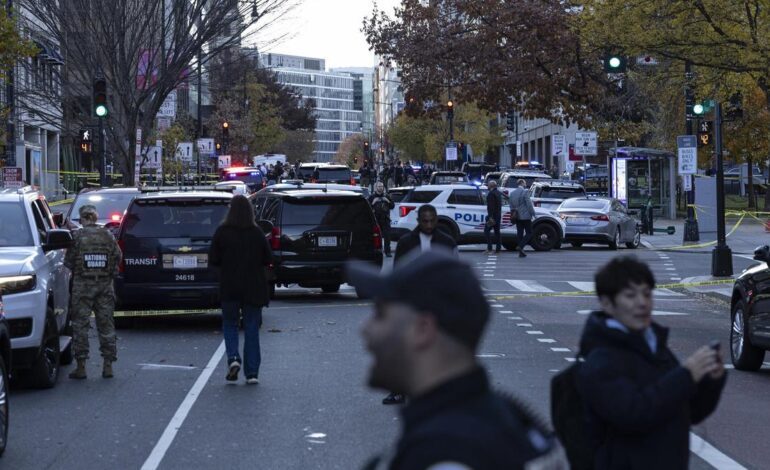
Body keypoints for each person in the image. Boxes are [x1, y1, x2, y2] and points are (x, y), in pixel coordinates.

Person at [351, 251, 564, 469]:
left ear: (423, 330)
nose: (365, 328)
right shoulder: (503, 418)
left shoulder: (446, 451)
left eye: (380, 315)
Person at [576, 256, 726, 469]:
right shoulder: (601, 361)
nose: (642, 303)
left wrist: (711, 379)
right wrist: (685, 375)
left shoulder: (656, 347)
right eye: (630, 295)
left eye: (647, 294)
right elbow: (634, 415)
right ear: (607, 304)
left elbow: (688, 412)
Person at [382, 204, 457, 405]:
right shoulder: (407, 242)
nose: (429, 224)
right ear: (418, 221)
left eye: (433, 220)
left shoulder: (447, 242)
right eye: (425, 221)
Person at [209, 195, 273, 384]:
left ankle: (233, 358)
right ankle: (252, 372)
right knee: (252, 327)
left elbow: (213, 259)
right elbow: (268, 258)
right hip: (254, 287)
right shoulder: (256, 232)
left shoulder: (222, 232)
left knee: (230, 324)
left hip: (230, 286)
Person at [64, 205, 122, 379]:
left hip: (82, 288)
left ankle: (81, 366)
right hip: (104, 287)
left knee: (80, 326)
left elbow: (69, 261)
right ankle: (108, 365)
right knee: (106, 325)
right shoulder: (108, 235)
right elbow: (118, 256)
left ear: (83, 218)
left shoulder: (78, 236)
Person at [509, 178, 535, 258]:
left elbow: (511, 206)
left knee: (519, 233)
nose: (525, 184)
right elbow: (529, 204)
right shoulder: (525, 191)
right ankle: (521, 246)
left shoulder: (512, 193)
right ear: (522, 183)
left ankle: (521, 252)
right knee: (529, 233)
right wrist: (533, 213)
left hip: (517, 216)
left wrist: (513, 214)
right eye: (525, 183)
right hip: (526, 216)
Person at [368, 182, 395, 257]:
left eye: (382, 186)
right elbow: (367, 207)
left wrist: (388, 201)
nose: (381, 188)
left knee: (387, 236)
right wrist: (373, 203)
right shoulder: (372, 197)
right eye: (379, 186)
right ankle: (376, 251)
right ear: (376, 187)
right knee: (375, 236)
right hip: (376, 219)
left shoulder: (387, 196)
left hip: (385, 219)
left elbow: (392, 206)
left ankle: (387, 251)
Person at [484, 180, 502, 254]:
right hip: (498, 215)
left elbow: (491, 207)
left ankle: (489, 248)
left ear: (491, 186)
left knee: (486, 231)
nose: (487, 186)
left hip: (492, 216)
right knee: (497, 232)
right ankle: (498, 249)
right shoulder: (498, 193)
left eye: (488, 185)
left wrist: (490, 216)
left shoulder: (491, 194)